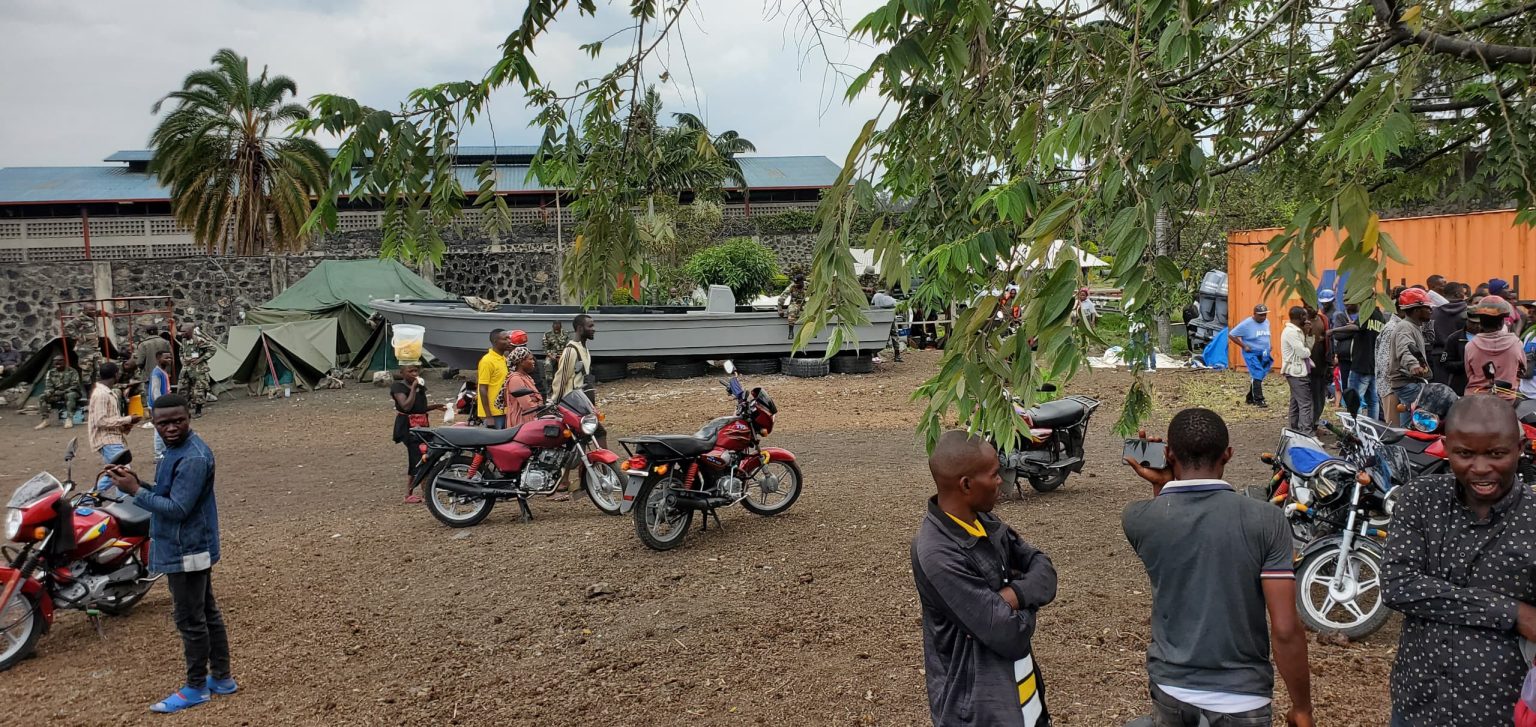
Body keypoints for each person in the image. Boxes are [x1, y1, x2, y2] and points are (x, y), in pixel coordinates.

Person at [1122, 408, 1312, 727]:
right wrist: (1302, 707)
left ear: (1168, 454)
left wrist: (1163, 485)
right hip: (1244, 697)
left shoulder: (1137, 519)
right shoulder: (1266, 521)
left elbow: (1172, 528)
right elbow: (1284, 628)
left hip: (1171, 688)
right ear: (1228, 455)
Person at [1382, 396, 1536, 726]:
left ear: (1520, 447)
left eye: (1497, 454)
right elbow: (1397, 585)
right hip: (1419, 704)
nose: (1480, 467)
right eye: (1465, 454)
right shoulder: (1420, 499)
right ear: (1446, 446)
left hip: (1503, 710)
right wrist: (1513, 612)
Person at [911, 430, 1058, 726]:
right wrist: (1026, 604)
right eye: (993, 474)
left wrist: (1010, 598)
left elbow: (1045, 571)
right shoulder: (936, 553)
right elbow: (1008, 635)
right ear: (966, 484)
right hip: (978, 712)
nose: (1000, 480)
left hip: (1023, 697)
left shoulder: (985, 522)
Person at [104, 394, 235, 714]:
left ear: (189, 417)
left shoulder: (191, 457)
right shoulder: (176, 451)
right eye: (163, 423)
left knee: (190, 618)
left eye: (178, 421)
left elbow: (177, 508)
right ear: (153, 422)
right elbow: (169, 493)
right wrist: (137, 483)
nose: (171, 427)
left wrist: (135, 492)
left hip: (187, 548)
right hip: (191, 543)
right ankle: (222, 678)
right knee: (206, 610)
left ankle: (196, 687)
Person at [392, 363, 445, 504]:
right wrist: (414, 388)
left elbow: (419, 407)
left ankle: (421, 490)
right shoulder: (398, 387)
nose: (415, 373)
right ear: (402, 373)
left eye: (416, 370)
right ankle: (416, 492)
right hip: (408, 427)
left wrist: (435, 406)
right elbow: (406, 406)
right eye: (410, 371)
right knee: (418, 456)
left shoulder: (420, 386)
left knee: (422, 456)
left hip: (421, 426)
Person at [87, 362, 141, 491]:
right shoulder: (102, 394)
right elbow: (100, 421)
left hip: (112, 438)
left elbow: (107, 419)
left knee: (119, 472)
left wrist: (126, 425)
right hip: (108, 440)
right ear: (116, 374)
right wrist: (127, 419)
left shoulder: (106, 393)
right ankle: (86, 499)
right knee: (121, 472)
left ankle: (122, 502)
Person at [1383, 288, 1433, 425]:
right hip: (1407, 383)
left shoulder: (1414, 326)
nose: (1431, 310)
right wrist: (1413, 365)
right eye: (1427, 308)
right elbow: (1405, 348)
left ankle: (1404, 443)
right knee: (1426, 412)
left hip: (1409, 382)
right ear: (1416, 310)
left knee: (1409, 420)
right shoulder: (1405, 327)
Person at [1465, 295, 1526, 398]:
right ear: (1502, 321)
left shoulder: (1470, 346)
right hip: (1507, 399)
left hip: (1475, 397)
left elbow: (1469, 374)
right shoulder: (1516, 343)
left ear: (1481, 322)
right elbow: (1522, 372)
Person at [1229, 304, 1272, 407]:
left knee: (1261, 374)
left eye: (1265, 315)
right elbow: (1231, 334)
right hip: (1252, 353)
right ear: (1254, 314)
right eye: (1260, 315)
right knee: (1258, 372)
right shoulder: (1246, 324)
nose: (1263, 317)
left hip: (1264, 352)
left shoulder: (1266, 322)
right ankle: (1259, 400)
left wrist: (1269, 345)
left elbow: (1265, 336)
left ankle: (1250, 398)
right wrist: (1244, 346)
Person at [1280, 306, 1315, 432]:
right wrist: (1307, 350)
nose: (1307, 319)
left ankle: (1294, 430)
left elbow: (1306, 347)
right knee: (1305, 403)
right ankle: (1307, 433)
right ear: (1301, 317)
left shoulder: (1297, 331)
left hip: (1297, 371)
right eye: (1305, 316)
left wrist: (1309, 334)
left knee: (1295, 402)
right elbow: (1303, 352)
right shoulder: (1291, 332)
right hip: (1296, 373)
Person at [1428, 282, 1469, 386]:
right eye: (1463, 293)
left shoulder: (1432, 313)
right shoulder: (1469, 312)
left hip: (1438, 356)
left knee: (1441, 392)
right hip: (1461, 357)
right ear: (1457, 295)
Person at [476, 329, 512, 429]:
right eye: (505, 339)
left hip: (503, 410)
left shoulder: (503, 359)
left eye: (509, 338)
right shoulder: (487, 361)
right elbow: (482, 388)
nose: (509, 341)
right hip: (493, 413)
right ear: (496, 341)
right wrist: (489, 416)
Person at [35, 355, 82, 430]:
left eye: (60, 360)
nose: (57, 362)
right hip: (56, 393)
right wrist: (50, 393)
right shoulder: (50, 372)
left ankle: (69, 419)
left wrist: (63, 391)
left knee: (70, 395)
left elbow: (75, 385)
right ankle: (45, 420)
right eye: (55, 361)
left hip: (71, 392)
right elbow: (49, 386)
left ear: (64, 361)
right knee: (42, 397)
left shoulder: (72, 371)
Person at [504, 347, 544, 428]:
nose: (533, 362)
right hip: (521, 422)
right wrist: (539, 403)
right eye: (531, 359)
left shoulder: (526, 376)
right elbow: (527, 405)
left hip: (530, 418)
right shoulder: (516, 379)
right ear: (521, 362)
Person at [1307, 297, 1332, 423]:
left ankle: (1315, 422)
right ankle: (1308, 424)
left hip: (1321, 365)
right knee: (1309, 396)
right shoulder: (1302, 322)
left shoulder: (1323, 319)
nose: (1314, 309)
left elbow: (1329, 340)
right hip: (1307, 367)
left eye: (1315, 306)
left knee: (1320, 396)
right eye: (1310, 307)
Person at [64, 305, 104, 381]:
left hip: (95, 347)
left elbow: (99, 312)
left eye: (93, 309)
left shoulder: (93, 315)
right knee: (87, 370)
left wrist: (108, 314)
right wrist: (77, 337)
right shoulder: (80, 319)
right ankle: (88, 387)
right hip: (85, 348)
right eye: (90, 309)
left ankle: (98, 386)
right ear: (85, 310)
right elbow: (68, 327)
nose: (93, 311)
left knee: (99, 368)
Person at [148, 349, 175, 460]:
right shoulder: (157, 373)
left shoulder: (161, 371)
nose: (169, 360)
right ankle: (159, 454)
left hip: (161, 404)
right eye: (166, 358)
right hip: (159, 405)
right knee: (159, 430)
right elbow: (155, 392)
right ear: (158, 359)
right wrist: (161, 405)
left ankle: (163, 452)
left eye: (170, 357)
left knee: (162, 428)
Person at [541, 322, 570, 397]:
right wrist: (550, 355)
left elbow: (568, 346)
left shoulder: (566, 333)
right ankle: (549, 386)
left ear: (560, 327)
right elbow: (544, 347)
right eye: (555, 328)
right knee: (547, 364)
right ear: (552, 327)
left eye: (558, 328)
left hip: (563, 354)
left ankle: (563, 386)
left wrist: (562, 355)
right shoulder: (547, 334)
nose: (556, 329)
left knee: (566, 366)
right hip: (551, 354)